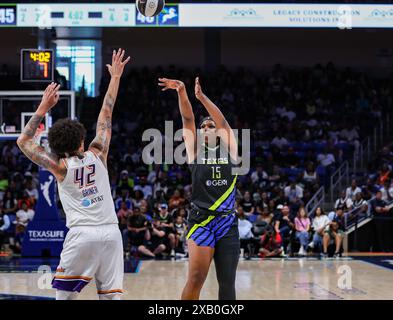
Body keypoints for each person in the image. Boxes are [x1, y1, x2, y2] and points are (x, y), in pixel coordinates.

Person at [16, 49, 130, 300]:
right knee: (111, 297)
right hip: (111, 233)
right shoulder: (98, 153)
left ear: (56, 146)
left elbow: (23, 141)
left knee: (64, 298)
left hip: (82, 236)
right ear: (81, 138)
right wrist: (115, 78)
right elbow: (106, 113)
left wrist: (43, 107)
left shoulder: (59, 167)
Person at [158, 76, 240, 300]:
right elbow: (187, 120)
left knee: (227, 283)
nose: (205, 128)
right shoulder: (195, 151)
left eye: (209, 126)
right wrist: (182, 92)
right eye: (203, 126)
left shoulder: (231, 150)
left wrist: (201, 97)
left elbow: (222, 122)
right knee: (195, 279)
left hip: (227, 222)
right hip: (201, 220)